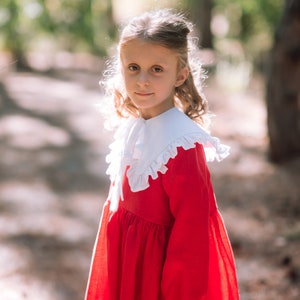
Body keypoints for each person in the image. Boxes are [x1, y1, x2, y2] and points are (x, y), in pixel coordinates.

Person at [85, 9, 239, 300]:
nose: (143, 80)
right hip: (125, 266)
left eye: (157, 69)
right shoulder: (134, 128)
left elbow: (192, 237)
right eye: (133, 67)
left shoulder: (181, 146)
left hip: (155, 278)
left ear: (180, 75)